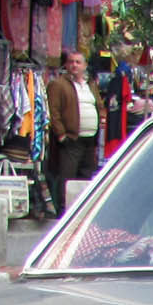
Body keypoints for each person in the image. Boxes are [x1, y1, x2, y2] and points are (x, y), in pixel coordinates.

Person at [46, 50, 104, 210]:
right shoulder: (58, 84)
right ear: (66, 65)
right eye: (71, 62)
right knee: (67, 177)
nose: (74, 65)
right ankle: (64, 212)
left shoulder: (90, 84)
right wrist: (61, 135)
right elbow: (53, 111)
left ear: (85, 65)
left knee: (87, 176)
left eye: (78, 62)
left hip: (90, 139)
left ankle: (83, 210)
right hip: (71, 139)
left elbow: (98, 105)